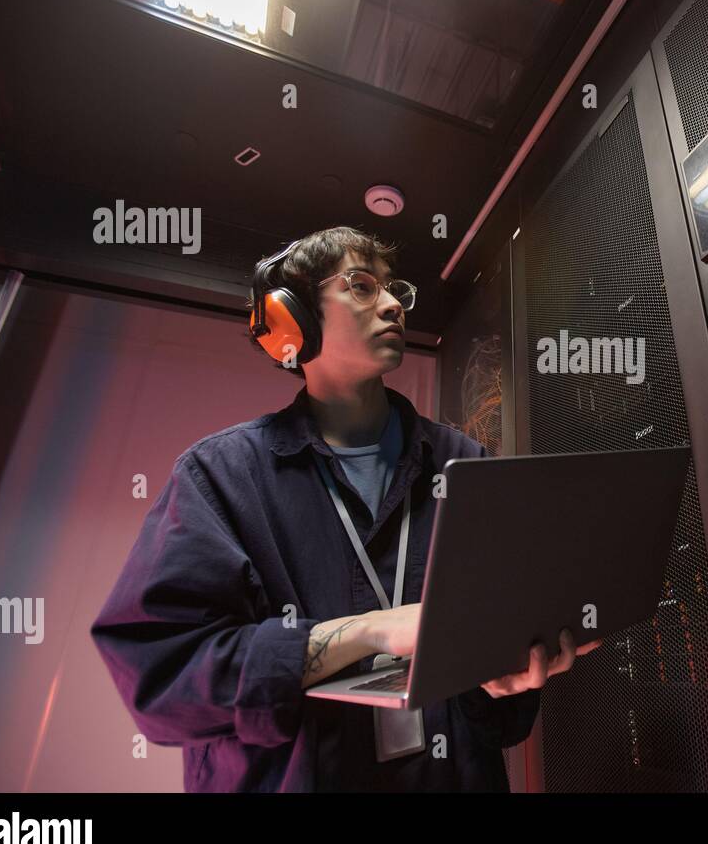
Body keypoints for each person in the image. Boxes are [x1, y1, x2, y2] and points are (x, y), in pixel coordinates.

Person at [91, 226, 598, 791]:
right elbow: (162, 680)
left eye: (393, 289)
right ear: (292, 320)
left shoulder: (465, 462)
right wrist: (370, 632)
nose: (392, 304)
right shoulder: (220, 475)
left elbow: (499, 713)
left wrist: (503, 677)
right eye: (361, 286)